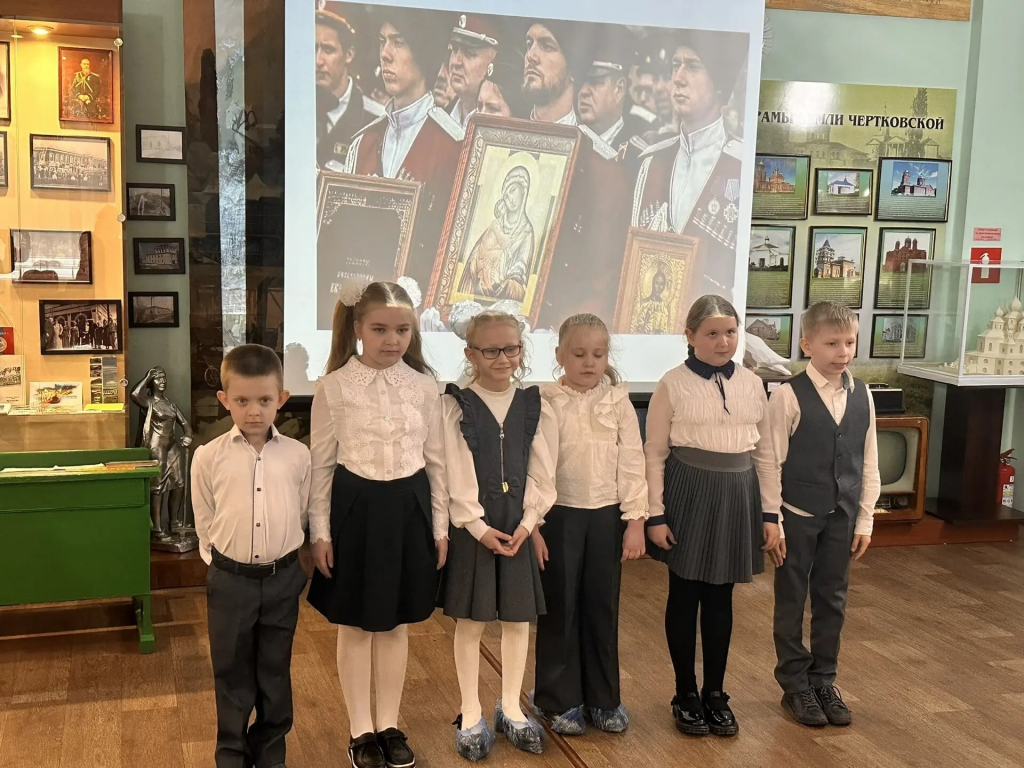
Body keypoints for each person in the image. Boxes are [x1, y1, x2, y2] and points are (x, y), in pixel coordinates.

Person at [305, 280, 444, 768]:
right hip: (356, 510)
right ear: (358, 328)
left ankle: (389, 723)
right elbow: (321, 465)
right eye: (380, 329)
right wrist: (320, 533)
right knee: (356, 624)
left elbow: (436, 462)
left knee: (395, 622)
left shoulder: (425, 387)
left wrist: (440, 527)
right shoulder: (334, 387)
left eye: (402, 330)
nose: (392, 339)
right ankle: (359, 729)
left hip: (409, 510)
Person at [644, 294, 781, 738]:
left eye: (730, 332)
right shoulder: (672, 384)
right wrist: (655, 514)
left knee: (721, 597)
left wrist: (770, 512)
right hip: (688, 490)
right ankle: (685, 692)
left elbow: (765, 454)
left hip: (738, 493)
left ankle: (716, 692)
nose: (723, 342)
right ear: (690, 336)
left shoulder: (752, 384)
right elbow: (654, 454)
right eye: (712, 334)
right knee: (685, 594)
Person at [428, 311, 558, 760]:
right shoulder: (456, 405)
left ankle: (512, 709)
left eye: (511, 349)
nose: (503, 358)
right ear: (471, 354)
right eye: (491, 350)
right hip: (476, 530)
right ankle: (470, 712)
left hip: (518, 527)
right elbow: (450, 471)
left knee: (518, 620)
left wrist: (528, 523)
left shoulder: (534, 405)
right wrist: (478, 527)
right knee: (472, 622)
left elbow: (543, 470)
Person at [191, 344, 311, 768]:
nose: (254, 411)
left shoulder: (298, 456)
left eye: (264, 400)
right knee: (231, 670)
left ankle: (270, 752)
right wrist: (225, 567)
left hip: (282, 578)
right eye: (242, 401)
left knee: (275, 670)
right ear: (225, 400)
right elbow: (205, 519)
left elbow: (300, 511)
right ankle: (231, 754)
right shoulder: (208, 457)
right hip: (230, 580)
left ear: (281, 398)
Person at [533, 313, 648, 736]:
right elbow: (536, 466)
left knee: (602, 605)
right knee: (559, 606)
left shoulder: (617, 402)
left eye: (598, 354)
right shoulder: (545, 401)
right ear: (560, 354)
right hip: (559, 514)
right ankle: (558, 699)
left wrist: (635, 520)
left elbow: (632, 461)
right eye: (579, 354)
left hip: (606, 516)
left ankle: (603, 697)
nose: (589, 362)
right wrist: (535, 523)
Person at [767, 301, 879, 728]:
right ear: (807, 344)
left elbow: (868, 462)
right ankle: (795, 685)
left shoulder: (862, 393)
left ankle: (823, 680)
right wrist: (773, 520)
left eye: (849, 342)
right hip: (796, 513)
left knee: (833, 599)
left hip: (842, 515)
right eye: (832, 343)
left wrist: (865, 519)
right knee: (792, 598)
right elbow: (770, 463)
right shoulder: (787, 395)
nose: (842, 352)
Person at [344, 7, 464, 295]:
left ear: (423, 51)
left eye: (398, 42)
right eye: (382, 41)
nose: (385, 54)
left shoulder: (456, 147)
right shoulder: (362, 144)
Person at [522, 19, 631, 330]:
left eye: (547, 46)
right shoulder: (493, 145)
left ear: (573, 69)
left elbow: (601, 287)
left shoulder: (604, 172)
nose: (531, 55)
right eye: (529, 44)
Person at [631, 30, 748, 298]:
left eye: (693, 66)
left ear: (719, 85)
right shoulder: (652, 162)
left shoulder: (740, 167)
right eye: (676, 65)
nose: (678, 78)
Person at [316, 5, 383, 170]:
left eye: (328, 50)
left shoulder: (377, 121)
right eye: (313, 49)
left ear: (349, 54)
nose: (318, 61)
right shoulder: (294, 109)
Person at [458, 165, 535, 301]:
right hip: (481, 284)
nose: (510, 197)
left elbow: (520, 268)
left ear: (524, 190)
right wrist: (480, 266)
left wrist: (502, 279)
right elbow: (476, 257)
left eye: (512, 190)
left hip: (505, 291)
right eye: (506, 195)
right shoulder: (495, 224)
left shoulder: (526, 231)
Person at [577, 29, 652, 151]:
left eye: (595, 82)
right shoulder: (569, 142)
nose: (583, 91)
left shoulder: (636, 155)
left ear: (619, 89)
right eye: (581, 82)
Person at [446, 13, 500, 128]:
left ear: (494, 60)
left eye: (469, 53)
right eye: (454, 49)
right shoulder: (440, 118)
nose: (455, 62)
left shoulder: (498, 125)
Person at [629, 266, 673, 334]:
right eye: (657, 283)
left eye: (661, 284)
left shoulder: (664, 309)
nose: (659, 287)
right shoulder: (644, 304)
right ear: (652, 283)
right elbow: (636, 327)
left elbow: (666, 330)